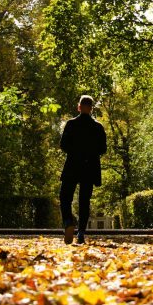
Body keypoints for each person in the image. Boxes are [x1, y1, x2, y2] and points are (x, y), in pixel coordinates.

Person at [59, 95, 107, 244]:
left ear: (79, 107)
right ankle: (81, 233)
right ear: (91, 108)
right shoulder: (98, 127)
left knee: (65, 196)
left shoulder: (71, 124)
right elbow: (103, 149)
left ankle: (68, 222)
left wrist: (76, 151)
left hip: (73, 165)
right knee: (84, 200)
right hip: (90, 167)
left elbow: (63, 145)